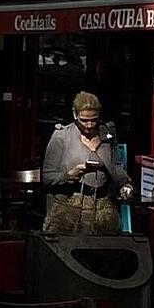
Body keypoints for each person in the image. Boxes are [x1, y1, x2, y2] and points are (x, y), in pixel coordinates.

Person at [43, 91, 131, 234]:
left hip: (104, 209)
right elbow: (47, 177)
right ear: (75, 114)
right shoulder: (62, 136)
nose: (89, 125)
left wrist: (124, 184)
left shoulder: (107, 134)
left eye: (94, 120)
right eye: (84, 120)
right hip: (69, 207)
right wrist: (68, 176)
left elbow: (115, 165)